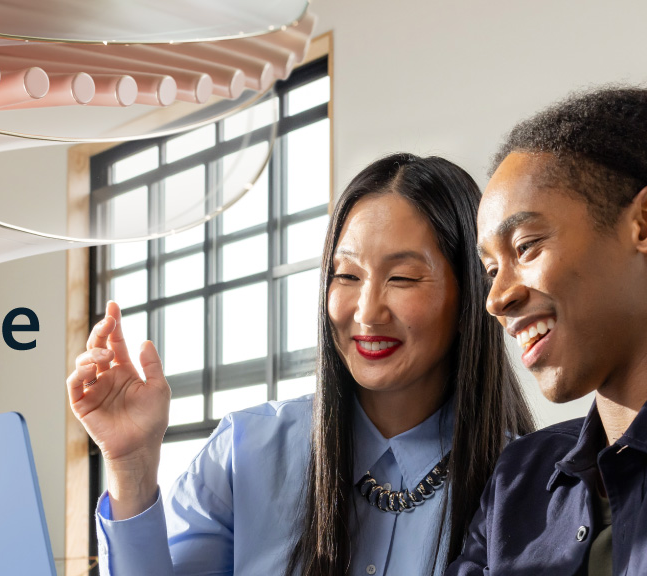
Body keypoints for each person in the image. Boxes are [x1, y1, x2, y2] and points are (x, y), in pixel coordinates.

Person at [66, 153, 535, 576]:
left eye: (402, 277)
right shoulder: (245, 451)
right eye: (347, 276)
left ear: (472, 296)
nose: (367, 312)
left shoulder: (524, 484)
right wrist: (131, 463)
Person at [447, 87, 647, 575]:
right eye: (491, 270)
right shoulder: (517, 479)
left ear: (642, 224)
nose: (496, 299)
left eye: (527, 246)